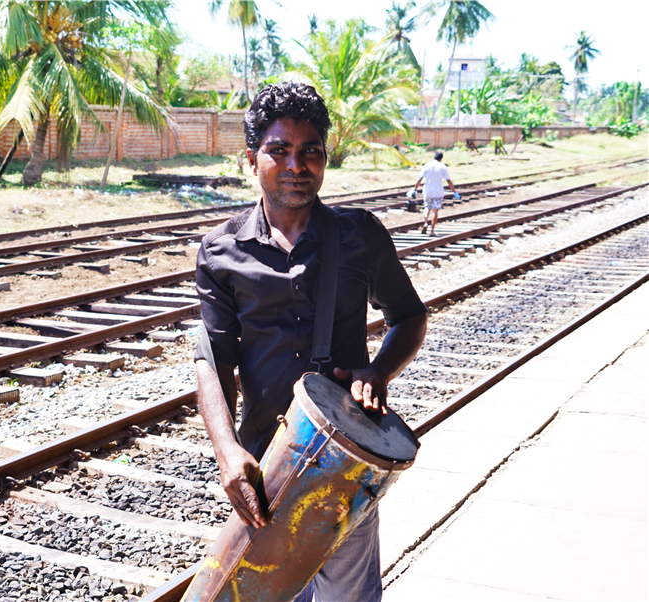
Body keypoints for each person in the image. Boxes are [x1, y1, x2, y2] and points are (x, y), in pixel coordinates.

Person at [194, 82, 428, 602]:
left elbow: (409, 317)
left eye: (311, 152)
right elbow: (213, 359)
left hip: (345, 464)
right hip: (264, 466)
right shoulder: (220, 252)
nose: (296, 165)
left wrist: (378, 372)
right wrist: (227, 450)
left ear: (326, 159)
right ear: (251, 159)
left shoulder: (360, 235)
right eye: (279, 150)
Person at [413, 150, 458, 236]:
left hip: (427, 191)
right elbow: (448, 181)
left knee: (427, 208)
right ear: (441, 158)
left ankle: (425, 222)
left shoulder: (427, 165)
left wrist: (414, 189)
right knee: (435, 211)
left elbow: (420, 178)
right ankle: (432, 231)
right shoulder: (443, 167)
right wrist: (454, 192)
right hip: (438, 192)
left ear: (434, 157)